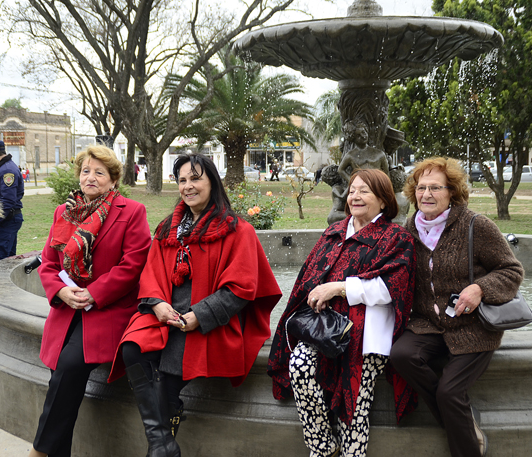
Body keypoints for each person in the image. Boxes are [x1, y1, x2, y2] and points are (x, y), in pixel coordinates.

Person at [108, 153, 281, 457]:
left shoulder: (238, 231)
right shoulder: (167, 230)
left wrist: (199, 316)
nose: (188, 186)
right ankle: (163, 443)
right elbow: (150, 274)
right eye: (182, 180)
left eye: (195, 178)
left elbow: (241, 288)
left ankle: (160, 447)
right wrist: (157, 303)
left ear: (212, 182)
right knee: (131, 347)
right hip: (166, 314)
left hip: (208, 321)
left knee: (170, 372)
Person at [267, 168, 416, 457]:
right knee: (298, 366)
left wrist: (337, 288)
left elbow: (391, 289)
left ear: (384, 200)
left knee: (355, 407)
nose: (355, 196)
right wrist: (315, 294)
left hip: (366, 336)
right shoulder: (333, 233)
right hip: (323, 329)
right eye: (352, 190)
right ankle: (322, 445)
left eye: (364, 191)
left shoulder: (395, 238)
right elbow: (309, 277)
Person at [390, 157, 524, 457]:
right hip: (429, 324)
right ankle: (463, 421)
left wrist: (480, 288)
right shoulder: (409, 229)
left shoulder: (476, 225)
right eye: (421, 187)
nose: (426, 194)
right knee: (400, 355)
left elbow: (512, 271)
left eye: (435, 187)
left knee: (449, 393)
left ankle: (465, 441)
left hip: (472, 328)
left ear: (452, 191)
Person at [28, 145, 151, 457]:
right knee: (62, 372)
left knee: (68, 366)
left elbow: (133, 264)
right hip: (68, 306)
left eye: (100, 172)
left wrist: (94, 293)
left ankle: (39, 452)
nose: (91, 177)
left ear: (113, 179)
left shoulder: (131, 211)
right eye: (86, 171)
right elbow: (48, 263)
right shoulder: (63, 212)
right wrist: (59, 290)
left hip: (107, 308)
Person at [0, 139, 24, 261]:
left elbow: (8, 200)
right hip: (8, 219)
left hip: (7, 220)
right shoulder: (1, 168)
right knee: (8, 258)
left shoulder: (7, 170)